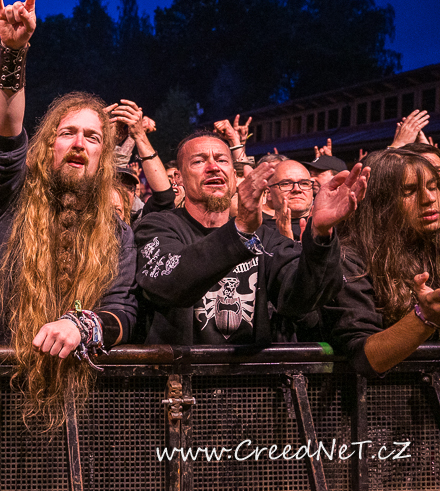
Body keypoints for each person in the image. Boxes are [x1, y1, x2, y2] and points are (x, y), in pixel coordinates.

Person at [0, 0, 137, 429]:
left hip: (79, 409)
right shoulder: (9, 198)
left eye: (93, 137)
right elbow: (5, 131)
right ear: (48, 145)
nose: (80, 143)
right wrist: (13, 52)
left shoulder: (116, 232)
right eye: (68, 133)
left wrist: (83, 326)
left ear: (104, 156)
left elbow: (123, 309)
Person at [132, 131, 369, 346]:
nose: (213, 167)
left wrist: (320, 236)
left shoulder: (264, 237)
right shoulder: (157, 226)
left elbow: (302, 299)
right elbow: (170, 284)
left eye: (222, 160)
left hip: (247, 379)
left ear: (233, 175)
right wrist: (240, 230)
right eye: (199, 161)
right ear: (179, 178)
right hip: (179, 377)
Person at [322, 149, 440, 374]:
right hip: (382, 394)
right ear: (380, 201)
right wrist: (425, 318)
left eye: (433, 187)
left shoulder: (433, 246)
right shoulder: (348, 259)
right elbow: (362, 357)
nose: (429, 199)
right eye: (409, 191)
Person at [265, 159, 316, 240]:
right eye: (286, 184)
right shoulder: (259, 233)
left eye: (304, 183)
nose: (297, 189)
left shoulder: (329, 227)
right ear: (268, 193)